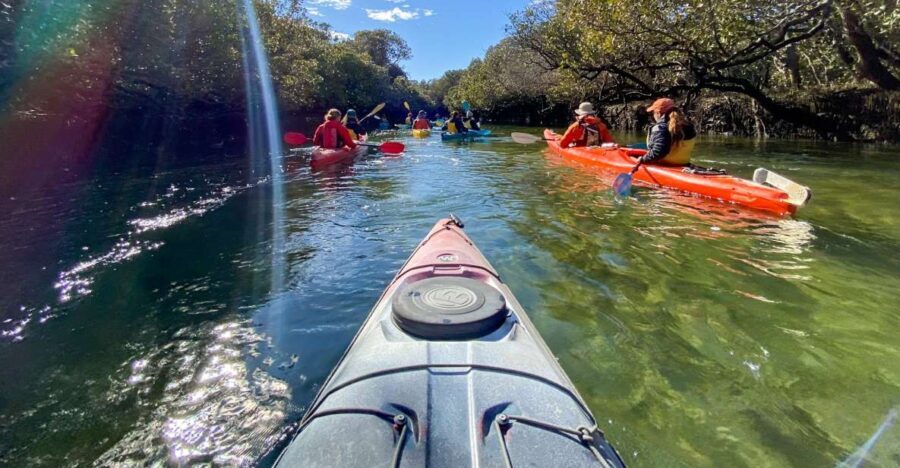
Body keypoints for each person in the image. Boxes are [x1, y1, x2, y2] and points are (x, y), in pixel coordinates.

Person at [639, 98, 697, 166]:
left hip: (666, 165)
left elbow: (658, 153)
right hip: (684, 164)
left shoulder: (660, 128)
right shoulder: (688, 125)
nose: (653, 115)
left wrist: (643, 159)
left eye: (653, 113)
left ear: (658, 113)